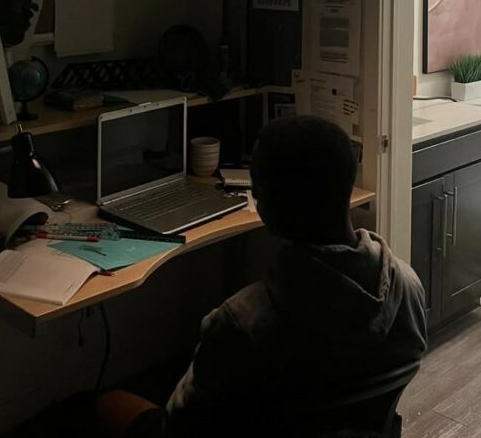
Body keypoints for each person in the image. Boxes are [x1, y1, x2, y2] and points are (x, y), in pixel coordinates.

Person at [96, 115, 427, 437]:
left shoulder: (242, 323)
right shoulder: (408, 286)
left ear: (268, 206)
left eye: (256, 187)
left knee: (103, 403)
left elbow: (180, 429)